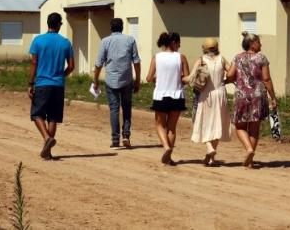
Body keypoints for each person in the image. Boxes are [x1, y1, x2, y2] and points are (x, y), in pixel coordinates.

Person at [226, 32, 278, 168]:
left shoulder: (237, 58)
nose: (261, 44)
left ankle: (248, 149)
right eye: (259, 42)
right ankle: (251, 159)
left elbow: (230, 75)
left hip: (241, 95)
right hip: (258, 95)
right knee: (254, 128)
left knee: (239, 126)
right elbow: (266, 79)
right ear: (252, 44)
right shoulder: (261, 58)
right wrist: (273, 97)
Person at [28, 12, 74, 160]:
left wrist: (30, 83)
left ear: (48, 24)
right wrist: (61, 75)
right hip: (58, 85)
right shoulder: (65, 42)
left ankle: (47, 138)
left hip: (42, 83)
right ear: (59, 24)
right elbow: (72, 66)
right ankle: (47, 152)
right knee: (53, 117)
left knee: (36, 114)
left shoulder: (38, 41)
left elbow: (34, 63)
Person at [93, 18, 141, 149]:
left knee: (114, 109)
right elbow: (136, 62)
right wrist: (137, 80)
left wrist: (95, 80)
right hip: (127, 80)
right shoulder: (130, 40)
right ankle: (126, 136)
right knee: (127, 108)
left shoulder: (105, 41)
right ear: (122, 27)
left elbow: (98, 64)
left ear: (111, 28)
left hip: (111, 80)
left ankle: (115, 140)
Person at [145, 32, 189, 165]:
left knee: (159, 124)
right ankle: (169, 157)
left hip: (161, 95)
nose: (179, 45)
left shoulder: (156, 57)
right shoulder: (181, 58)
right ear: (173, 43)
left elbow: (148, 78)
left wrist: (158, 78)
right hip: (177, 95)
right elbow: (185, 78)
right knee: (172, 127)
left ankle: (166, 147)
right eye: (178, 42)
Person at [190, 38, 231, 166]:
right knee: (218, 123)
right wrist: (225, 80)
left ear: (204, 48)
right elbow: (231, 73)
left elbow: (191, 77)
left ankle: (209, 148)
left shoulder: (201, 60)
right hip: (220, 94)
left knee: (204, 123)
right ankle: (211, 158)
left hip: (205, 95)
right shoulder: (222, 59)